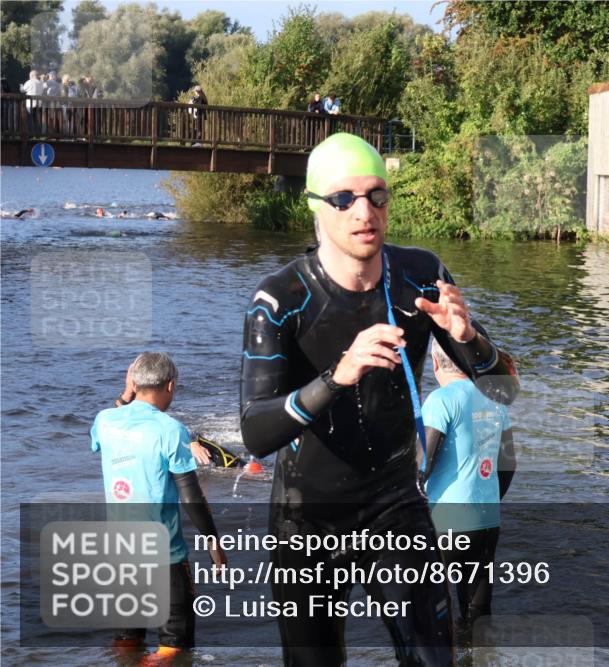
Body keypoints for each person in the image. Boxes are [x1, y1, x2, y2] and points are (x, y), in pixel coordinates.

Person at [240, 132, 519, 666]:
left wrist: (468, 341)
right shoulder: (280, 299)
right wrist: (337, 377)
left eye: (377, 196)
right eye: (344, 199)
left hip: (396, 506)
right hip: (308, 519)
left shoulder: (420, 273)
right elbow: (255, 431)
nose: (363, 211)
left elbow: (503, 390)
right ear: (316, 208)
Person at [93, 352, 226, 665]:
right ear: (170, 386)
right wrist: (214, 542)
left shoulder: (105, 421)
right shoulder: (171, 429)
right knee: (174, 645)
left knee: (126, 640)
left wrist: (126, 393)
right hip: (164, 554)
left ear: (134, 383)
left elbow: (115, 419)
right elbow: (191, 495)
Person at [420, 340, 516, 625]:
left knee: (431, 606)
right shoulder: (494, 400)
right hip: (487, 519)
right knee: (478, 610)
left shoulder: (441, 400)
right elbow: (508, 465)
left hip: (446, 520)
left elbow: (422, 464)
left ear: (435, 364)